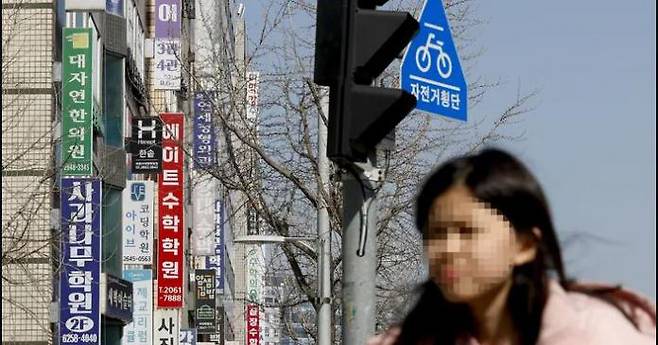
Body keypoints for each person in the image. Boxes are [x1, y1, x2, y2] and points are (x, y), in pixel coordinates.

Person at [367, 148, 655, 345]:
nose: (447, 249)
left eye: (468, 232)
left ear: (526, 245)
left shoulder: (594, 333)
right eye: (435, 233)